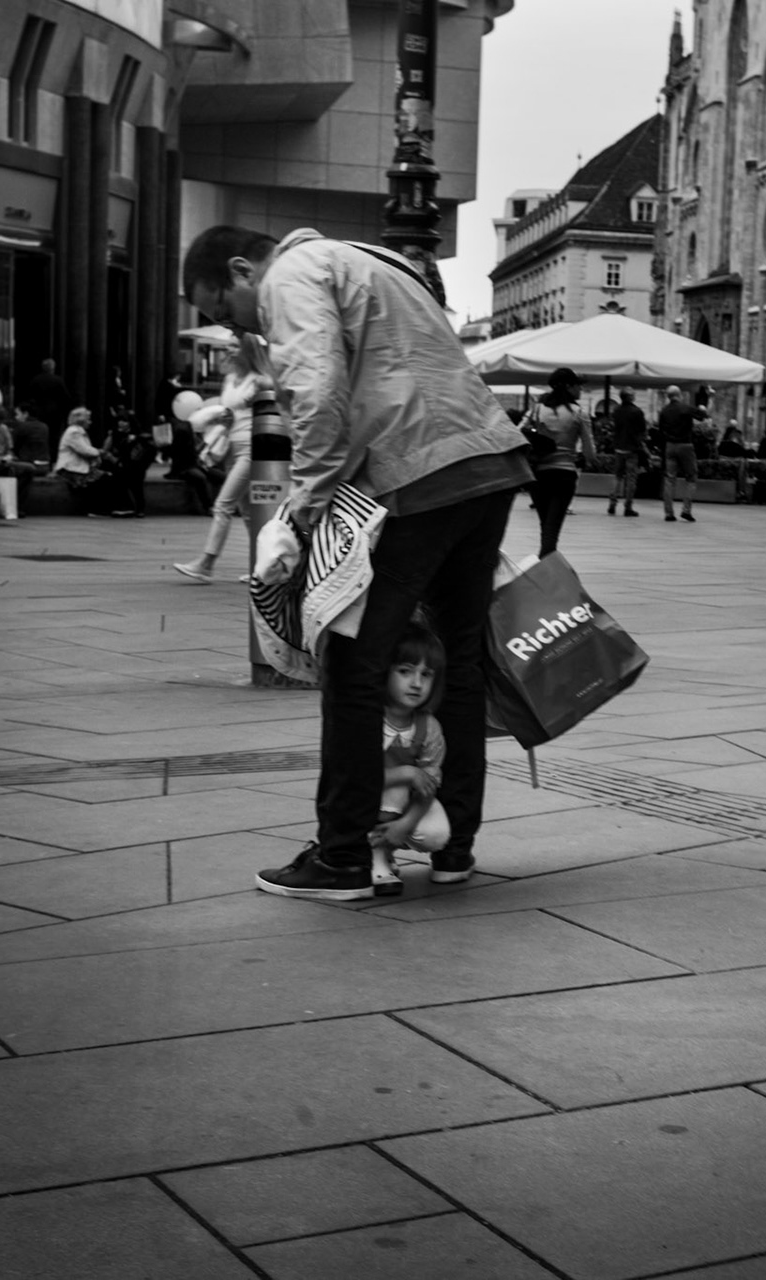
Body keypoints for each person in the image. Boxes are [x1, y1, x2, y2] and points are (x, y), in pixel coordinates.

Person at [182, 222, 531, 900]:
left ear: (241, 271)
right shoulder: (370, 261)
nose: (232, 328)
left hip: (416, 475)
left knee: (352, 659)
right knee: (457, 660)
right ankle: (453, 843)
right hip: (484, 464)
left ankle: (343, 855)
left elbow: (317, 390)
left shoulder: (290, 275)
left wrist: (301, 509)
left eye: (223, 311)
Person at [367, 619, 453, 896]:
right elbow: (355, 775)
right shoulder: (369, 717)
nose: (416, 683)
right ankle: (375, 859)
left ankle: (386, 848)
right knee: (404, 780)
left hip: (400, 804)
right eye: (405, 671)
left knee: (436, 832)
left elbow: (429, 783)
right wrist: (404, 773)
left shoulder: (429, 728)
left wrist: (406, 825)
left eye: (426, 674)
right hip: (364, 798)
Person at [174, 335, 266, 582]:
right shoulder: (229, 380)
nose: (229, 350)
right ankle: (263, 567)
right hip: (232, 448)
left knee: (223, 504)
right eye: (228, 346)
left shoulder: (259, 380)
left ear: (247, 348)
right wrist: (221, 418)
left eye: (235, 346)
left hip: (252, 448)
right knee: (247, 511)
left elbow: (275, 406)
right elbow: (231, 412)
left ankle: (206, 563)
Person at [525, 366, 598, 557]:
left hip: (539, 473)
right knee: (553, 528)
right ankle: (547, 568)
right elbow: (590, 452)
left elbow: (517, 432)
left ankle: (545, 562)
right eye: (577, 386)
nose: (580, 390)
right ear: (568, 387)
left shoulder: (537, 409)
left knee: (545, 525)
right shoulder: (578, 413)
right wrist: (586, 459)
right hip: (564, 474)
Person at [657, 384, 702, 523]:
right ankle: (686, 510)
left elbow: (660, 431)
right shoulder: (685, 408)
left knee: (670, 479)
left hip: (670, 446)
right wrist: (709, 400)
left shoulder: (664, 411)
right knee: (691, 477)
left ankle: (669, 513)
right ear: (679, 394)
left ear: (668, 396)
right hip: (685, 445)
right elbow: (702, 416)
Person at [101, 409, 154, 518]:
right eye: (119, 420)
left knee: (137, 486)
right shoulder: (115, 434)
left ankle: (140, 508)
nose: (121, 423)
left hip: (135, 466)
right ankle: (122, 507)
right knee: (119, 480)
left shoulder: (137, 435)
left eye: (124, 421)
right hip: (120, 465)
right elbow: (105, 450)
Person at [55, 406, 106, 516]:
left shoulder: (78, 431)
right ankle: (93, 509)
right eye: (88, 419)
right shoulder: (74, 432)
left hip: (76, 467)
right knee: (101, 479)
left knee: (104, 477)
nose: (90, 422)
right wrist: (100, 452)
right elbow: (84, 450)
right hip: (70, 469)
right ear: (81, 420)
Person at [10, 402, 55, 514]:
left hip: (30, 466)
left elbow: (13, 446)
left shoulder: (22, 427)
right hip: (44, 466)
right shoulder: (44, 426)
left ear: (25, 414)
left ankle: (16, 506)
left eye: (18, 414)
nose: (16, 417)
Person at [609, 388, 647, 517]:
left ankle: (612, 504)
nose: (635, 395)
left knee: (618, 476)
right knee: (631, 479)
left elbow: (614, 428)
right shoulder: (637, 412)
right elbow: (642, 430)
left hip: (619, 447)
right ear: (629, 397)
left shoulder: (616, 410)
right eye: (633, 393)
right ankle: (628, 506)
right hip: (632, 448)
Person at [26, 358, 71, 433]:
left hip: (39, 412)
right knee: (54, 434)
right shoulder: (58, 380)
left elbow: (30, 396)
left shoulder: (36, 380)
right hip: (55, 413)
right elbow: (65, 397)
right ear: (53, 368)